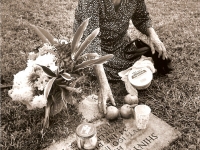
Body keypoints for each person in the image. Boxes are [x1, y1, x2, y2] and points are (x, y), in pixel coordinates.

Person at [73, 0, 172, 114]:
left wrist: (153, 36)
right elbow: (91, 42)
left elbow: (142, 18)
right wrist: (103, 84)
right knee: (90, 65)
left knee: (133, 63)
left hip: (119, 43)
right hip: (88, 45)